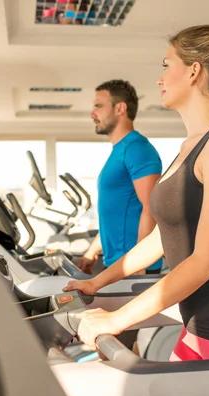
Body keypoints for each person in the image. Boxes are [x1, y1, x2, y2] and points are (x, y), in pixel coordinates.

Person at [64, 25, 209, 361]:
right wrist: (97, 282)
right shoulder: (189, 147)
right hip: (198, 324)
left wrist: (118, 319)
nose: (160, 78)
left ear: (194, 71)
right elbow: (158, 240)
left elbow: (207, 261)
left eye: (167, 66)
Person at [79, 79, 163, 275]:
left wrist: (139, 264)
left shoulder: (137, 148)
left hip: (134, 268)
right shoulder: (120, 151)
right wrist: (92, 252)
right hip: (119, 265)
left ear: (120, 109)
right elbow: (115, 214)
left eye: (99, 106)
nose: (92, 114)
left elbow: (152, 208)